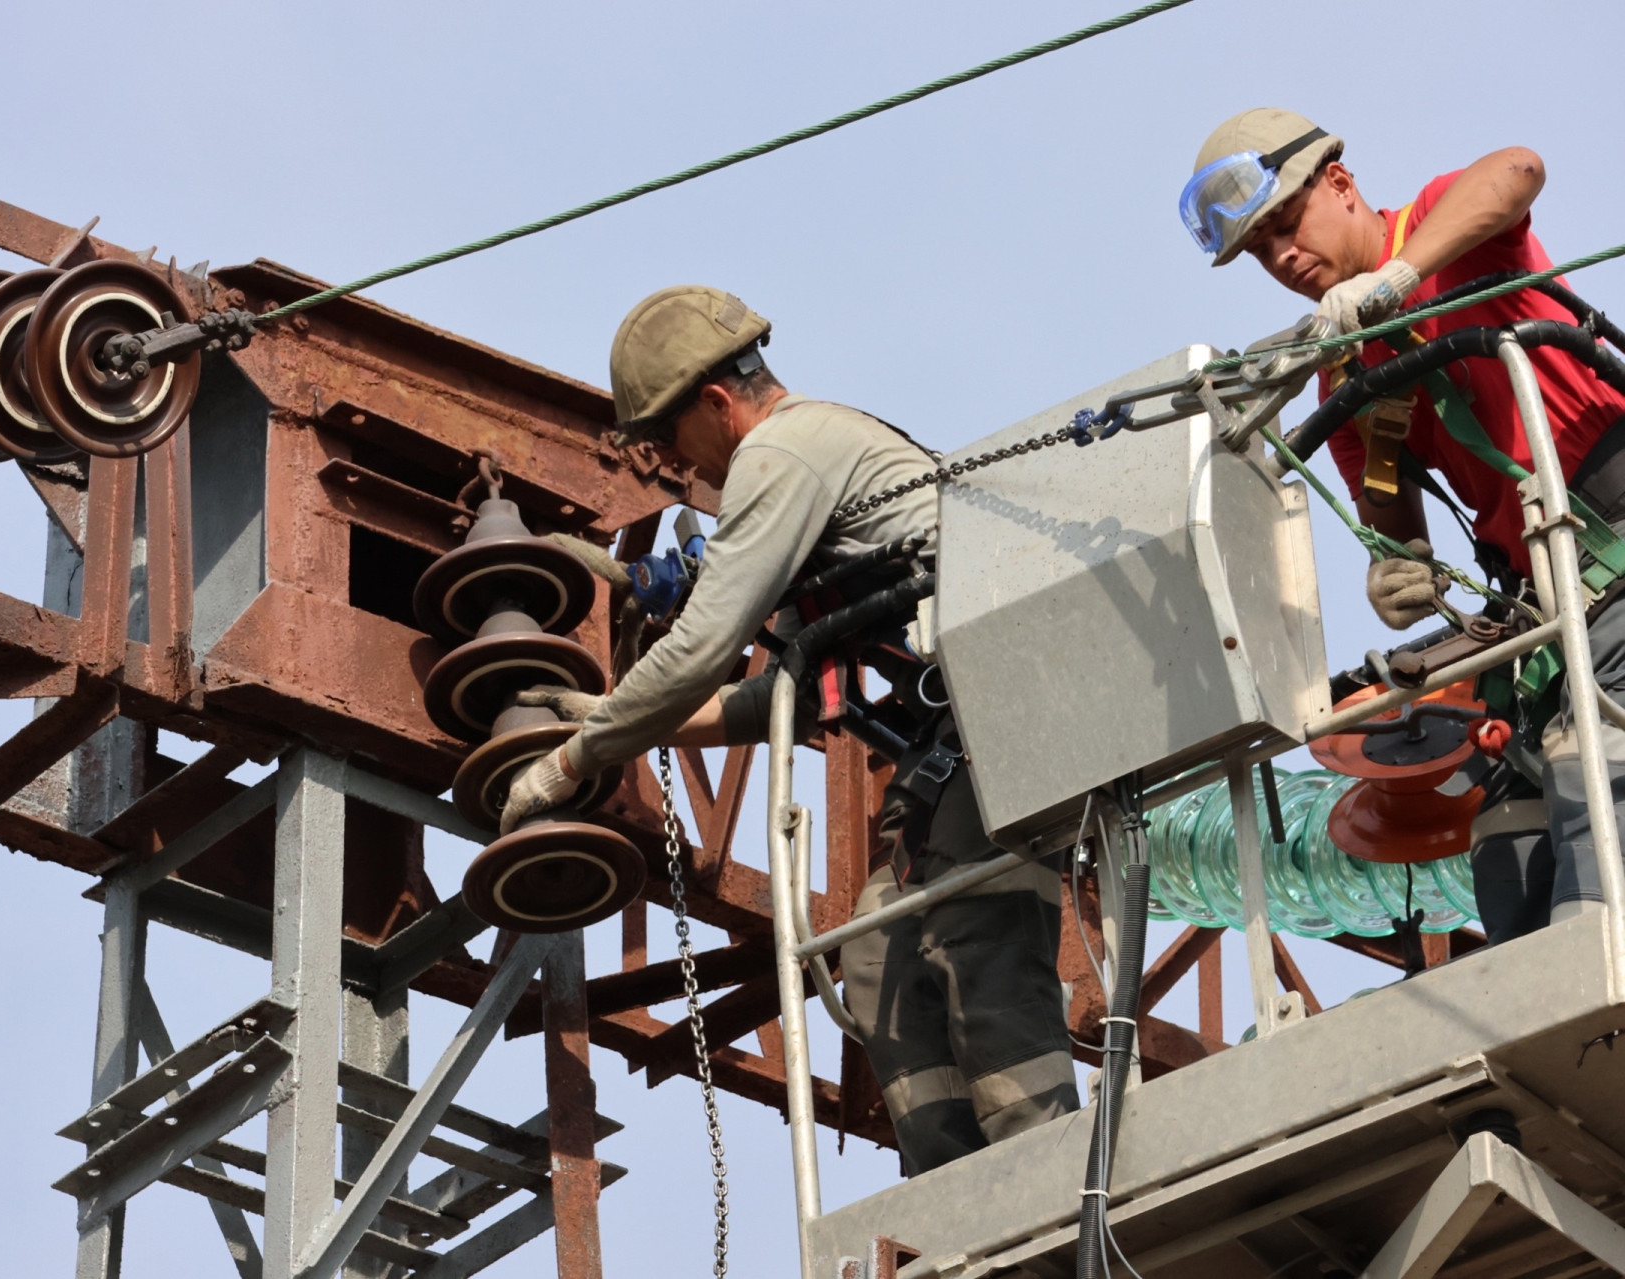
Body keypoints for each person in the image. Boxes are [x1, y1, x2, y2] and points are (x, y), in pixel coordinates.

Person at [499, 285, 1078, 1174]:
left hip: (1004, 726)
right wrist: (612, 719)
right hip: (946, 753)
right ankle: (963, 1205)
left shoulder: (784, 452)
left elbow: (699, 647)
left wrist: (579, 755)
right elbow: (787, 701)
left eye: (667, 440)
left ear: (716, 403)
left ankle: (1049, 1191)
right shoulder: (809, 470)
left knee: (976, 928)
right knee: (878, 949)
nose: (671, 462)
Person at [1183, 108, 1625, 943]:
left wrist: (1394, 280)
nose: (1282, 256)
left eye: (1285, 222)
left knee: (1596, 778)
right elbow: (1397, 532)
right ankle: (1563, 1034)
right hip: (1542, 595)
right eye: (1261, 249)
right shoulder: (1343, 380)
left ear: (1341, 187)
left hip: (1616, 535)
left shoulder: (1438, 228)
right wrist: (1397, 576)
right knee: (1508, 840)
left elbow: (1518, 166)